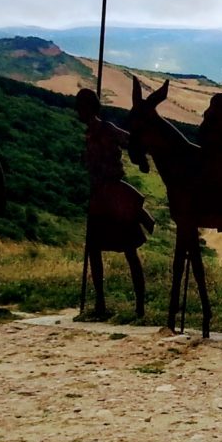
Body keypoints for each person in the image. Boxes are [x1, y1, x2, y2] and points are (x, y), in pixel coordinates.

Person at [74, 87, 153, 318]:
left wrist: (142, 161)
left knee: (129, 250)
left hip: (114, 195)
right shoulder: (89, 134)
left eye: (81, 107)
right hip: (99, 195)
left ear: (89, 108)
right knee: (94, 250)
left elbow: (131, 142)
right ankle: (100, 304)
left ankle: (139, 307)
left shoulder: (107, 129)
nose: (78, 112)